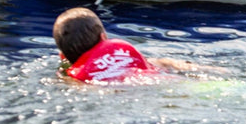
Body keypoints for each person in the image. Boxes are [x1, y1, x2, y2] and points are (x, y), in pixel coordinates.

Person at [53, 7, 199, 83]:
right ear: (103, 37)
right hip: (158, 80)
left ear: (62, 55)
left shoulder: (76, 77)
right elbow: (166, 64)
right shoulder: (122, 52)